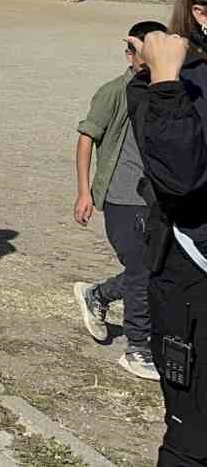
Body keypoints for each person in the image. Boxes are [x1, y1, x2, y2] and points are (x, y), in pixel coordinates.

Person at [126, 0, 207, 466]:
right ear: (202, 12)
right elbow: (180, 176)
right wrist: (166, 81)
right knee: (193, 443)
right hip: (192, 280)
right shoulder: (163, 86)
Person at [72, 20, 166, 381]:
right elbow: (85, 139)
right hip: (122, 198)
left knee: (155, 268)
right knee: (142, 269)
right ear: (131, 53)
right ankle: (138, 348)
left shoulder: (169, 91)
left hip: (158, 200)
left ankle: (99, 294)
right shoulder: (114, 91)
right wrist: (85, 192)